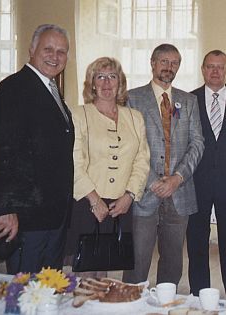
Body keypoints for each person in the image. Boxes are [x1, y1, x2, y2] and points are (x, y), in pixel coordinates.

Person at [0, 24, 74, 273]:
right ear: (32, 49)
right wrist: (6, 209)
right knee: (26, 294)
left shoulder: (51, 89)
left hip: (53, 214)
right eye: (48, 49)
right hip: (27, 218)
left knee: (49, 288)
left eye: (62, 51)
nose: (55, 56)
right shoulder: (13, 88)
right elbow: (3, 152)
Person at [124, 44, 204, 285]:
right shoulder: (132, 98)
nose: (169, 67)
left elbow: (197, 143)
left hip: (179, 193)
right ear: (152, 62)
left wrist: (177, 178)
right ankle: (131, 305)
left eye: (175, 63)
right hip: (144, 192)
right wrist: (153, 182)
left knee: (172, 262)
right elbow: (129, 145)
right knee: (137, 261)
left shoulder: (188, 101)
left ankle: (166, 304)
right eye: (164, 62)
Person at [64, 57, 150, 276]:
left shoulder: (135, 117)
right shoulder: (78, 114)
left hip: (120, 205)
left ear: (120, 83)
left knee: (105, 270)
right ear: (92, 83)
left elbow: (142, 160)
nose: (106, 83)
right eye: (100, 77)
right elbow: (73, 161)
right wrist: (94, 201)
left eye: (112, 77)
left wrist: (129, 196)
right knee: (85, 273)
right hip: (87, 202)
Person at [187, 50, 226, 301]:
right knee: (197, 240)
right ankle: (198, 293)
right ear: (202, 69)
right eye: (210, 66)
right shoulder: (189, 100)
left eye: (220, 67)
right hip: (196, 182)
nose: (215, 71)